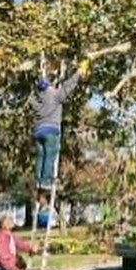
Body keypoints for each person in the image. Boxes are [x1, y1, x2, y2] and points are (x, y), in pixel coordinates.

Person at [30, 61, 90, 190]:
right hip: (50, 130)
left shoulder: (37, 99)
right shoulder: (55, 95)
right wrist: (78, 73)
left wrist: (42, 71)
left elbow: (32, 99)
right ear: (49, 86)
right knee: (50, 154)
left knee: (41, 156)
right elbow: (68, 87)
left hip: (38, 131)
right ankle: (46, 181)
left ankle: (38, 180)